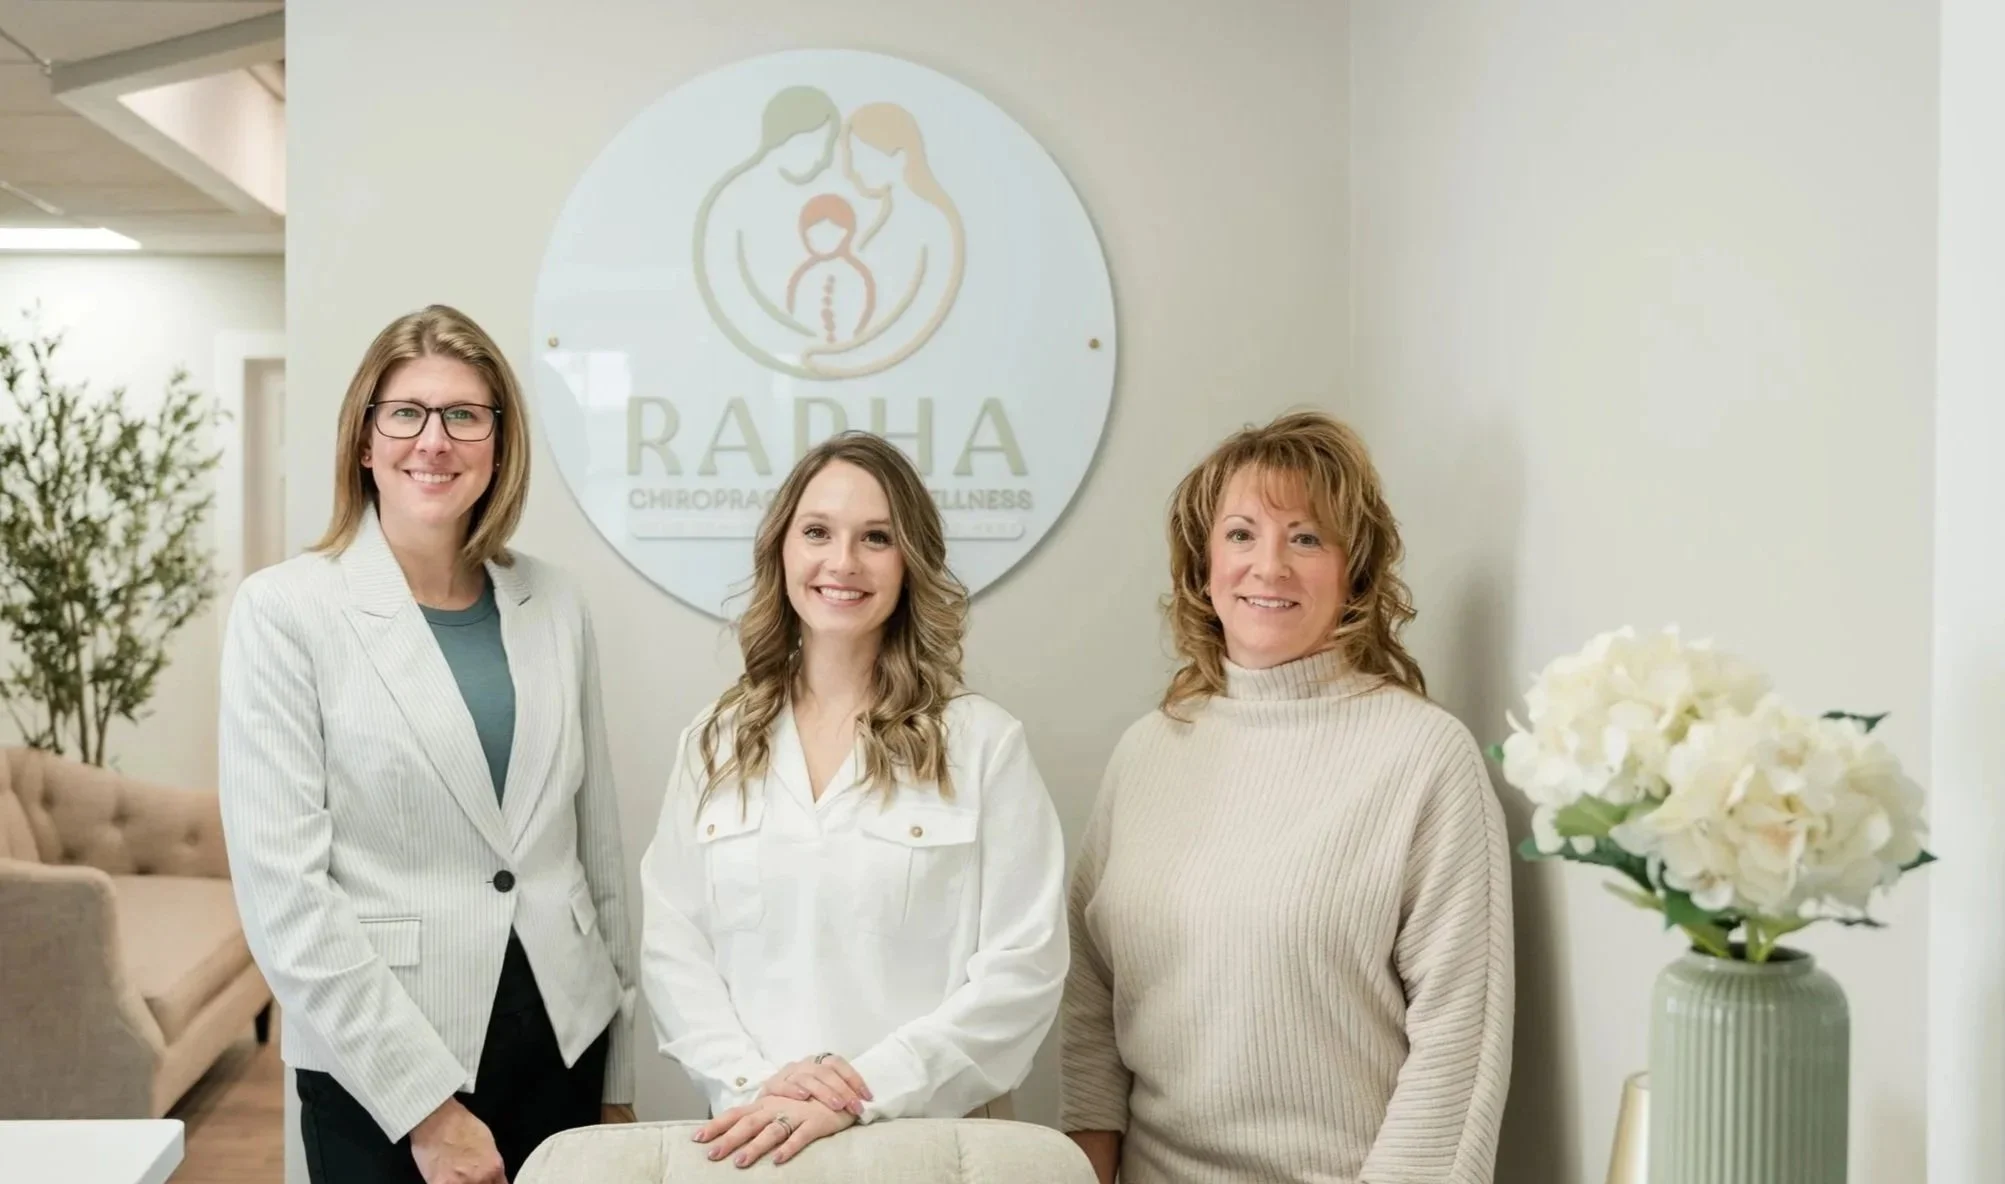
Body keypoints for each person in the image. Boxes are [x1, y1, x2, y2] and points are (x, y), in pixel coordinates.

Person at [218, 305, 638, 1184]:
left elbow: (595, 852)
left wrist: (618, 1078)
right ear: (364, 441)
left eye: (464, 415)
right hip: (384, 1059)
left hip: (563, 1039)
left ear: (499, 445)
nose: (434, 441)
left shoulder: (556, 604)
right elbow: (285, 896)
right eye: (405, 412)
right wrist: (429, 1112)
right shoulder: (286, 611)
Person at [1060, 410, 1514, 1184]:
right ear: (1203, 566)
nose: (1267, 566)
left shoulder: (1424, 756)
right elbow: (1090, 1004)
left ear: (1354, 572)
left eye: (1304, 538)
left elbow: (1457, 1048)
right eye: (1240, 534)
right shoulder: (1147, 750)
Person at [639, 431, 1067, 1169]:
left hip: (928, 1148)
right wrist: (757, 1084)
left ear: (910, 561)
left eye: (876, 537)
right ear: (781, 550)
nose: (842, 562)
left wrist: (861, 1090)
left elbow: (1022, 971)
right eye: (817, 532)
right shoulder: (713, 742)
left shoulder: (982, 744)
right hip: (755, 1140)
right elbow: (674, 948)